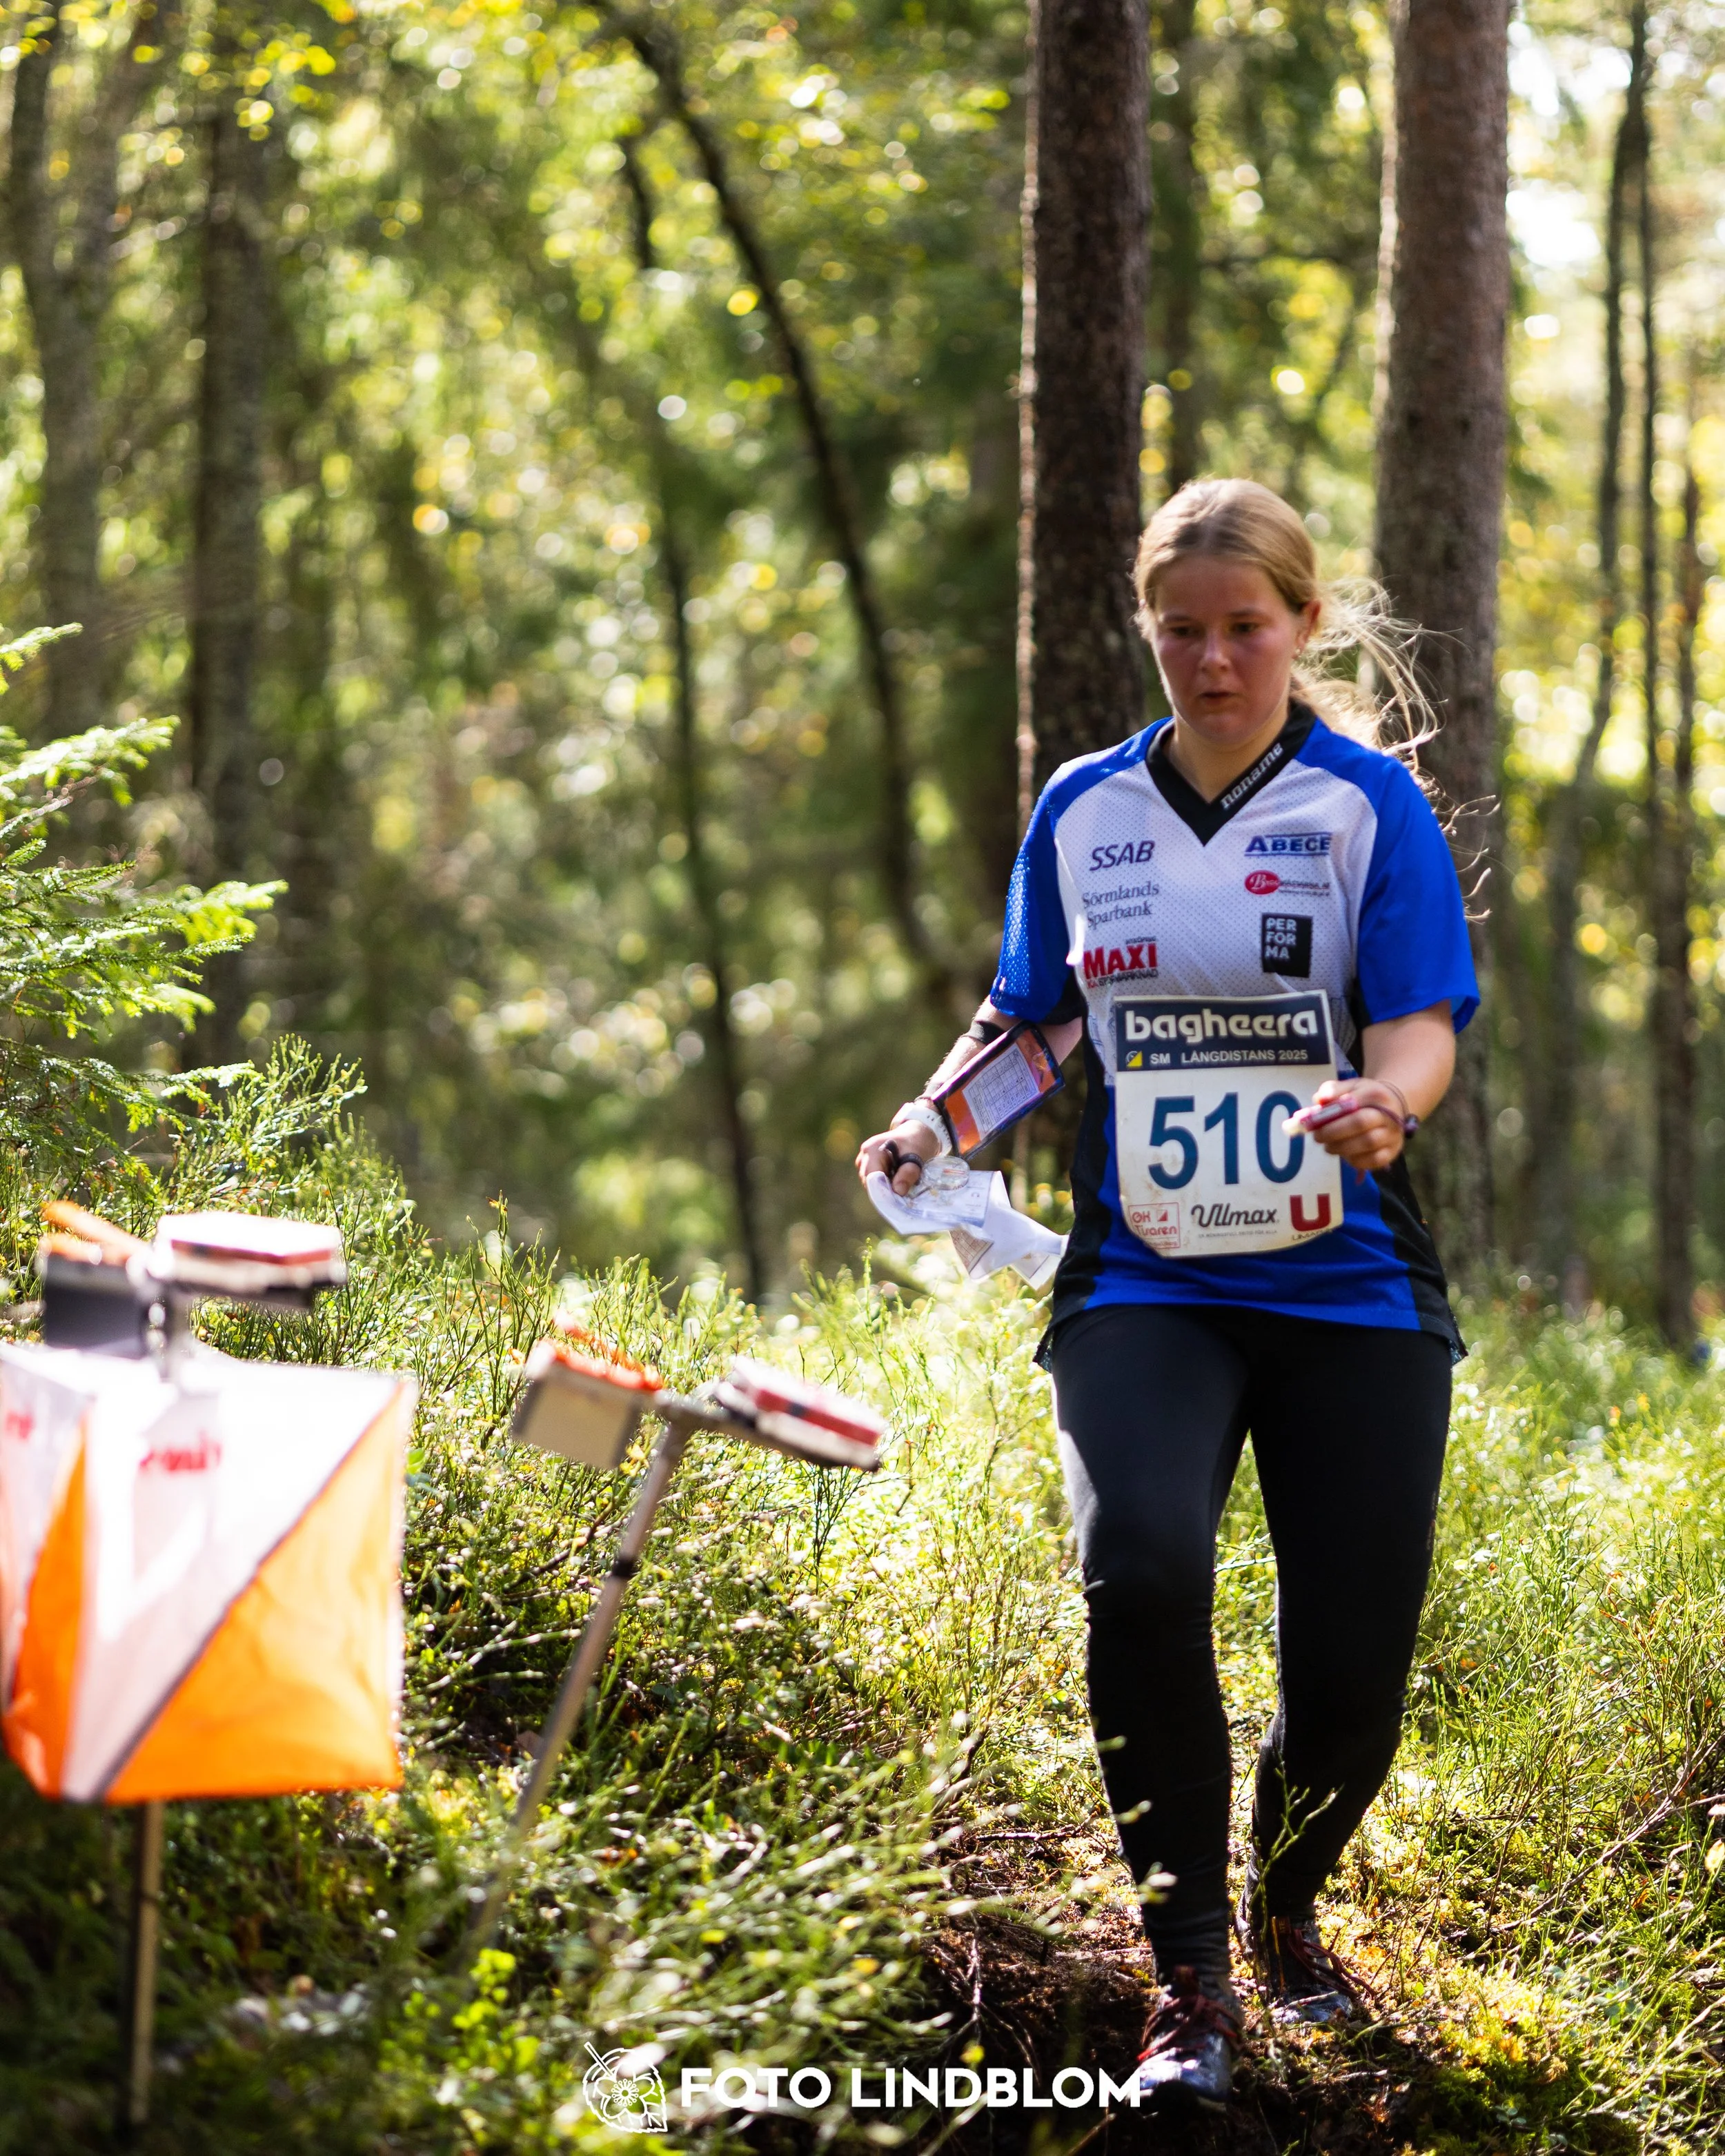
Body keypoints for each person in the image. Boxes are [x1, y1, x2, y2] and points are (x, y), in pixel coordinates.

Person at [856, 479, 1477, 2113]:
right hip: (1145, 1276)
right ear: (1147, 629)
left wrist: (1387, 1101)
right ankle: (1186, 1975)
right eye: (1180, 631)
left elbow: (1421, 1020)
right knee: (1134, 1567)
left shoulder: (1365, 807)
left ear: (1301, 625)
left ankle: (1285, 1901)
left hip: (1346, 1284)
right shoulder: (1085, 810)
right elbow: (1037, 1019)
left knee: (1348, 1678)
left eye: (1243, 629)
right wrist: (935, 1120)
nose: (1211, 661)